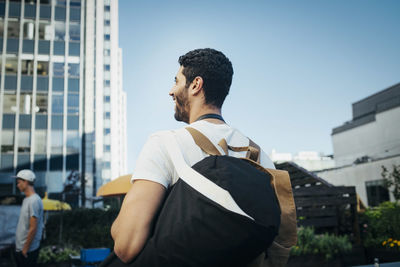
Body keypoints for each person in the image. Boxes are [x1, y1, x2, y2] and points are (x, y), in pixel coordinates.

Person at [110, 48, 276, 264]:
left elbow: (126, 245)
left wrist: (116, 226)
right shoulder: (262, 159)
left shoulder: (165, 144)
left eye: (177, 81)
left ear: (196, 85)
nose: (171, 91)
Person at [13, 169, 44, 267]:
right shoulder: (26, 200)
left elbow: (33, 228)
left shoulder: (34, 201)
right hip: (21, 248)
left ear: (26, 182)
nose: (17, 185)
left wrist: (25, 249)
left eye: (19, 182)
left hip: (28, 250)